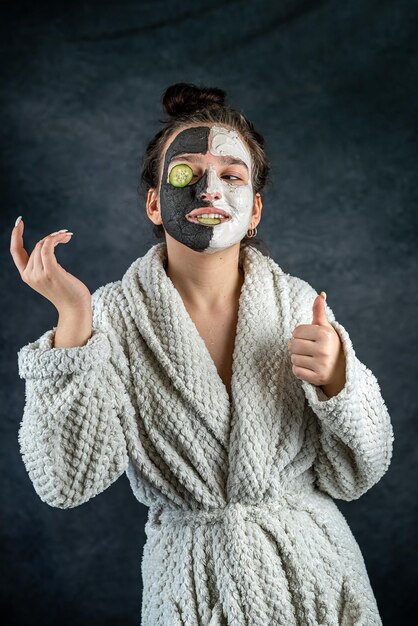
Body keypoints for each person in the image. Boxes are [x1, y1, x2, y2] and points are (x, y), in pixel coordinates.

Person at [11, 82, 394, 626]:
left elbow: (357, 473)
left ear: (255, 209)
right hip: (191, 591)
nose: (210, 189)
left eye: (232, 176)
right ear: (153, 202)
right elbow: (66, 481)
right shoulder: (111, 320)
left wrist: (339, 383)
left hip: (317, 584)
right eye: (186, 174)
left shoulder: (296, 304)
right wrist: (74, 321)